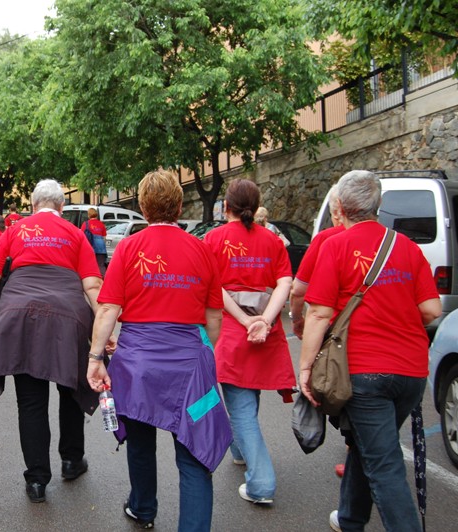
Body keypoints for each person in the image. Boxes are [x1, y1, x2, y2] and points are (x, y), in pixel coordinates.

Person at [86, 170, 231, 531]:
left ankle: (143, 508)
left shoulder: (130, 248)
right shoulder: (202, 249)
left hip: (137, 365)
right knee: (193, 455)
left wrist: (96, 358)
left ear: (142, 207)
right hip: (190, 367)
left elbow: (107, 309)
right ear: (180, 205)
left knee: (139, 443)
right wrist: (208, 353)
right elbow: (214, 316)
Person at [299, 170, 441, 532]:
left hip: (364, 371)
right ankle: (350, 518)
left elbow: (318, 312)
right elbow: (431, 310)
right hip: (411, 371)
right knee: (370, 446)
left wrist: (304, 371)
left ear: (341, 208)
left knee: (384, 464)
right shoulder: (405, 246)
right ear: (377, 206)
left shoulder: (336, 245)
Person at [0, 179, 103, 503]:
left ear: (33, 205)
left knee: (31, 402)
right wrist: (107, 332)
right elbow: (92, 285)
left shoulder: (16, 230)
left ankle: (36, 480)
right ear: (61, 207)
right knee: (71, 390)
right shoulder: (75, 233)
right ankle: (71, 460)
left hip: (20, 315)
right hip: (68, 317)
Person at [203, 178, 295, 506]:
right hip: (264, 333)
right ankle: (240, 450)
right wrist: (265, 321)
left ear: (225, 206)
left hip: (229, 332)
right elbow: (286, 282)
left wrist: (244, 321)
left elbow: (214, 288)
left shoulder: (213, 239)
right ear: (255, 208)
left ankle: (262, 482)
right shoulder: (272, 242)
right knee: (248, 390)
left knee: (239, 403)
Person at [289, 185, 344, 339]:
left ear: (336, 213)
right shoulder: (392, 241)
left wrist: (296, 318)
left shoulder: (326, 239)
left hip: (335, 329)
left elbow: (298, 290)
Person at [80, 207, 108, 276]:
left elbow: (81, 237)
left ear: (88, 215)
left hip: (89, 248)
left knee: (89, 265)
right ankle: (103, 282)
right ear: (96, 215)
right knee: (101, 266)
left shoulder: (85, 224)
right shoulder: (101, 224)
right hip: (101, 249)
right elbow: (104, 238)